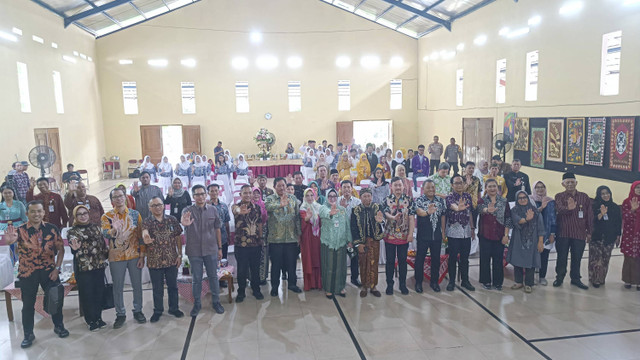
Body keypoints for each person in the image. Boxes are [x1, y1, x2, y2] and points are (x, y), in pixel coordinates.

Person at [4, 201, 69, 348]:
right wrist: (9, 242)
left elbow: (61, 250)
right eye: (33, 211)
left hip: (49, 271)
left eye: (39, 211)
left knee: (56, 300)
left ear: (44, 212)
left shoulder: (52, 229)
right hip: (28, 273)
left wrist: (57, 268)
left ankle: (59, 326)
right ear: (27, 213)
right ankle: (28, 334)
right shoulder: (19, 230)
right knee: (28, 305)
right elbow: (11, 241)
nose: (36, 214)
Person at [101, 188, 146, 328]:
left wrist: (142, 255)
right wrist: (114, 229)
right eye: (115, 197)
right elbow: (106, 234)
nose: (119, 199)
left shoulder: (135, 214)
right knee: (118, 286)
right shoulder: (107, 216)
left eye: (121, 196)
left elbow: (140, 236)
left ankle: (138, 310)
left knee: (137, 285)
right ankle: (120, 314)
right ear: (112, 200)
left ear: (125, 198)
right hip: (116, 256)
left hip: (133, 255)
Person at [181, 184, 225, 316]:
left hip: (211, 249)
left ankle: (216, 302)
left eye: (202, 194)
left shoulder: (213, 210)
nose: (200, 197)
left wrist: (220, 247)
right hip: (194, 251)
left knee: (213, 277)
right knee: (196, 279)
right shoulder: (187, 211)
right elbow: (183, 222)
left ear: (206, 195)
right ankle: (197, 304)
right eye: (197, 194)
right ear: (193, 197)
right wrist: (185, 224)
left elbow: (217, 229)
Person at [142, 197, 184, 322]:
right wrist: (145, 237)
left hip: (172, 258)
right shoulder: (147, 221)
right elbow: (144, 232)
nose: (157, 207)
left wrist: (180, 255)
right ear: (150, 208)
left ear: (164, 206)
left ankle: (174, 308)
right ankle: (158, 310)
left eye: (159, 204)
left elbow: (178, 238)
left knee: (173, 286)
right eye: (154, 205)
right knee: (157, 288)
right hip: (154, 260)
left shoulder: (172, 219)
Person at [68, 205, 109, 331]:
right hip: (84, 268)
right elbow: (73, 247)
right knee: (87, 294)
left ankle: (98, 317)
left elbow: (102, 245)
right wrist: (74, 250)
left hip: (98, 265)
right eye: (79, 214)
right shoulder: (72, 231)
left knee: (99, 292)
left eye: (85, 213)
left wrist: (108, 254)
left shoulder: (96, 228)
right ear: (75, 217)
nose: (83, 216)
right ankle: (90, 320)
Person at [553, 172, 593, 289]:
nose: (570, 184)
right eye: (567, 182)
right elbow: (559, 209)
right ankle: (559, 278)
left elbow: (589, 215)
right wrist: (568, 209)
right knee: (562, 257)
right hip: (563, 232)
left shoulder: (584, 197)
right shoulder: (559, 196)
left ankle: (575, 279)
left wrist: (589, 232)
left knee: (577, 257)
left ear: (576, 183)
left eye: (572, 182)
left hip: (579, 232)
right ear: (563, 184)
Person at [265, 177, 302, 296]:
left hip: (291, 237)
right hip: (276, 238)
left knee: (291, 263)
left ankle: (292, 284)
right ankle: (275, 287)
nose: (282, 188)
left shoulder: (293, 198)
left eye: (283, 186)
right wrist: (280, 205)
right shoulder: (270, 199)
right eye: (279, 186)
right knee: (276, 264)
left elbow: (297, 217)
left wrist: (299, 234)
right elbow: (267, 208)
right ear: (275, 187)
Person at [382, 177, 415, 295]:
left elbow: (411, 218)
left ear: (403, 186)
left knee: (402, 261)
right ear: (391, 186)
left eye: (400, 185)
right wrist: (392, 217)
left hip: (404, 236)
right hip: (389, 235)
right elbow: (385, 213)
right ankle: (389, 284)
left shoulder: (409, 200)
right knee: (390, 261)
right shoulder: (386, 199)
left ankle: (402, 284)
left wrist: (410, 234)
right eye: (395, 185)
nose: (398, 188)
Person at [508, 190, 545, 293]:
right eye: (520, 198)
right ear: (517, 199)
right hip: (518, 240)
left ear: (528, 198)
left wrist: (540, 241)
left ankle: (529, 283)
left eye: (524, 197)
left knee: (531, 262)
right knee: (517, 261)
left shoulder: (535, 211)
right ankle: (519, 282)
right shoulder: (514, 210)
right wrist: (526, 219)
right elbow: (517, 221)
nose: (522, 199)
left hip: (532, 241)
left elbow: (541, 227)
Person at [232, 185, 264, 301]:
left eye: (250, 193)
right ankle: (241, 292)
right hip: (241, 245)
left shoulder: (257, 208)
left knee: (255, 269)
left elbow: (260, 224)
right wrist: (240, 211)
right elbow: (235, 210)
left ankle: (256, 290)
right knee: (242, 270)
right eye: (245, 193)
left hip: (255, 244)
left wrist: (260, 238)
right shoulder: (235, 206)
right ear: (240, 195)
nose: (248, 195)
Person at [477, 179, 511, 290]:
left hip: (499, 234)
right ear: (486, 188)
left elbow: (508, 219)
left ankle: (498, 282)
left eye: (494, 186)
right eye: (489, 186)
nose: (492, 188)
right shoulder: (482, 201)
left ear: (497, 188)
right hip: (485, 234)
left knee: (498, 259)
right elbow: (480, 210)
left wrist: (506, 235)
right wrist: (487, 210)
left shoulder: (504, 201)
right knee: (485, 259)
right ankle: (486, 281)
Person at [318, 188, 352, 298]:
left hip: (341, 243)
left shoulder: (342, 209)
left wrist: (349, 240)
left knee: (341, 267)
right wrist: (331, 213)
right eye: (330, 196)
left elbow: (347, 226)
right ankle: (328, 289)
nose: (332, 198)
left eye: (334, 196)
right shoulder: (323, 207)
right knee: (329, 266)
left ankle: (340, 287)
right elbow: (324, 213)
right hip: (328, 243)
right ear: (327, 197)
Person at [351, 188, 384, 297]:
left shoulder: (377, 208)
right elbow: (354, 228)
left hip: (374, 241)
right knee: (363, 264)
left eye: (369, 196)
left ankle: (373, 286)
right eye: (364, 196)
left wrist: (380, 222)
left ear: (372, 197)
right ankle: (364, 286)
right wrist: (358, 243)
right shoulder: (355, 210)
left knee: (374, 263)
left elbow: (383, 224)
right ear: (360, 198)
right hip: (362, 241)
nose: (367, 198)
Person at [414, 180, 446, 293]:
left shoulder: (440, 201)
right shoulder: (419, 200)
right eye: (428, 188)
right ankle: (418, 282)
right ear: (423, 189)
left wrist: (443, 232)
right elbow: (419, 212)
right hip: (423, 235)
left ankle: (434, 282)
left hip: (436, 235)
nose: (431, 190)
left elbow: (443, 216)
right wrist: (428, 212)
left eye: (433, 187)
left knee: (436, 259)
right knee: (420, 259)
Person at [445, 174, 476, 292]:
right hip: (453, 231)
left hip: (466, 231)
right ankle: (452, 281)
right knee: (452, 257)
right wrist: (458, 208)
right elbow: (453, 206)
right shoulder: (450, 197)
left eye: (461, 183)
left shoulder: (468, 196)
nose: (459, 185)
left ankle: (465, 280)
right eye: (456, 183)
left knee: (465, 258)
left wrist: (472, 228)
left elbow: (470, 213)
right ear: (452, 185)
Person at [589, 186, 622, 288]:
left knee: (604, 259)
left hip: (609, 238)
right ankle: (594, 279)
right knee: (595, 259)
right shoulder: (594, 206)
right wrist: (601, 214)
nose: (606, 195)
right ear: (599, 195)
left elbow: (618, 223)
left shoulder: (615, 207)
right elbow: (591, 221)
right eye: (603, 194)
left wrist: (618, 236)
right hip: (596, 238)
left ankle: (601, 278)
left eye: (607, 193)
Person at [531, 181, 556, 286]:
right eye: (537, 187)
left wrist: (553, 233)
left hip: (546, 233)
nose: (540, 189)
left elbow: (553, 218)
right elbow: (530, 216)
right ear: (534, 189)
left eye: (542, 187)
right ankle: (530, 278)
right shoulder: (530, 200)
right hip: (532, 233)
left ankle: (542, 277)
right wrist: (541, 208)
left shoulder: (550, 201)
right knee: (532, 256)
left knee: (544, 256)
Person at [338, 180, 362, 287]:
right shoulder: (337, 201)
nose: (346, 189)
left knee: (354, 258)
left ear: (352, 188)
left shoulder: (357, 202)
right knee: (341, 259)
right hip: (341, 235)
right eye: (344, 187)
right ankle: (341, 279)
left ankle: (354, 278)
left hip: (353, 235)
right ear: (341, 189)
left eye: (348, 187)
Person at [299, 188, 323, 291]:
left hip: (318, 237)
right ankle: (309, 284)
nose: (309, 198)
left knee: (318, 259)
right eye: (307, 196)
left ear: (315, 196)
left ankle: (318, 283)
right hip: (307, 238)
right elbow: (302, 223)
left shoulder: (319, 207)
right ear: (304, 197)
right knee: (309, 259)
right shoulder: (303, 208)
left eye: (311, 195)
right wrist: (307, 218)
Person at [208, 184, 231, 287]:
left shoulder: (224, 206)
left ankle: (222, 279)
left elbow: (226, 222)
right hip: (210, 238)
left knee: (223, 259)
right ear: (208, 193)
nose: (214, 193)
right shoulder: (206, 206)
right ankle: (213, 281)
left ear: (219, 192)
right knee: (211, 260)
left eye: (215, 191)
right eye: (211, 191)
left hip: (223, 236)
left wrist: (228, 235)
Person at [621, 181, 640, 290]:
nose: (639, 189)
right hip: (630, 234)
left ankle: (638, 282)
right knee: (629, 258)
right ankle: (627, 280)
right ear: (633, 189)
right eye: (637, 187)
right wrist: (633, 210)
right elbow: (625, 218)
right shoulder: (627, 202)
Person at [0, 186, 27, 262]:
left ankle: (19, 264)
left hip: (18, 227)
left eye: (9, 192)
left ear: (13, 193)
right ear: (2, 194)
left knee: (19, 248)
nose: (7, 195)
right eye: (5, 193)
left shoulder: (19, 204)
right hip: (3, 229)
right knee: (5, 250)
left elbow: (25, 218)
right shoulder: (0, 205)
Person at [462, 162, 482, 228]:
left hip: (474, 205)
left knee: (473, 225)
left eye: (473, 168)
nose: (471, 170)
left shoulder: (477, 179)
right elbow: (459, 192)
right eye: (469, 168)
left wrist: (479, 202)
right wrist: (467, 184)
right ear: (465, 169)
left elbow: (479, 192)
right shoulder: (461, 179)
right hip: (463, 205)